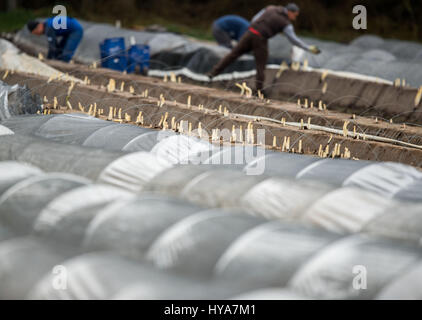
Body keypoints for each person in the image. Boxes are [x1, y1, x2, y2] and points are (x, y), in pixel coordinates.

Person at [208, 3, 321, 94]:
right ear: (290, 12)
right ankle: (259, 90)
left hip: (249, 33)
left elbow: (254, 18)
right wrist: (308, 48)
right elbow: (293, 39)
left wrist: (254, 29)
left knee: (233, 54)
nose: (294, 18)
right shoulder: (286, 24)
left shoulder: (270, 8)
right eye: (295, 15)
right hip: (261, 39)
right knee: (261, 64)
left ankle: (212, 73)